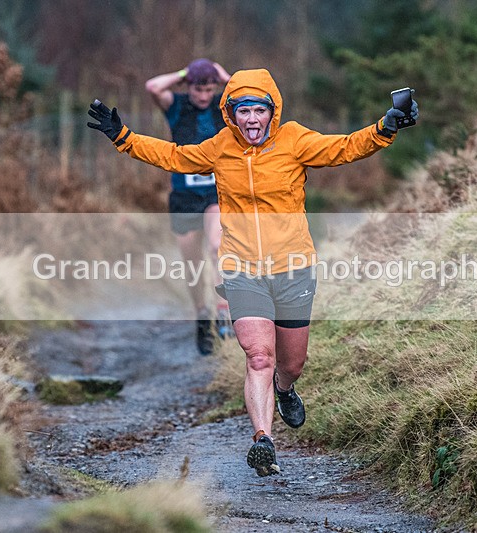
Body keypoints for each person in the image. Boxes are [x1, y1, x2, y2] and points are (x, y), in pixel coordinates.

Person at [88, 68, 418, 477]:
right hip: (242, 268)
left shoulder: (295, 139)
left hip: (293, 267)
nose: (251, 119)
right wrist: (123, 137)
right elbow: (175, 156)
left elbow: (345, 147)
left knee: (291, 362)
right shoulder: (220, 147)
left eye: (259, 110)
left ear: (272, 112)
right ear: (231, 114)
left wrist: (385, 127)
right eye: (242, 110)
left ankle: (286, 390)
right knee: (259, 356)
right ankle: (263, 438)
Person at [144, 58, 233, 356]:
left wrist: (223, 75)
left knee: (217, 245)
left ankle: (224, 311)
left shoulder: (225, 105)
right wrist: (184, 72)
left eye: (209, 89)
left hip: (216, 192)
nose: (204, 96)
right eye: (198, 89)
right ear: (189, 87)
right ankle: (201, 315)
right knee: (192, 262)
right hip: (183, 194)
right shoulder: (176, 105)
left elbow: (252, 93)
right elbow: (152, 86)